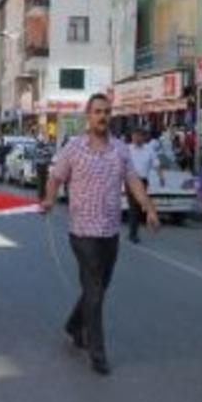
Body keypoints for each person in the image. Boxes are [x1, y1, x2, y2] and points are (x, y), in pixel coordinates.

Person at [41, 93, 158, 376]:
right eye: (97, 112)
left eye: (106, 112)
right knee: (94, 288)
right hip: (82, 232)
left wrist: (148, 208)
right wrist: (49, 199)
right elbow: (55, 176)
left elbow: (132, 180)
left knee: (99, 288)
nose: (102, 116)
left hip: (110, 231)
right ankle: (97, 352)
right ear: (88, 116)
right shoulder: (73, 148)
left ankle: (73, 324)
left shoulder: (120, 150)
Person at [127, 128, 165, 244]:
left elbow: (156, 164)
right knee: (134, 205)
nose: (137, 138)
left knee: (138, 207)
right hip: (130, 180)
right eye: (135, 135)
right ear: (132, 137)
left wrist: (161, 177)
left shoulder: (149, 150)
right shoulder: (127, 149)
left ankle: (134, 230)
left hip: (143, 181)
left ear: (143, 137)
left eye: (139, 136)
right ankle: (133, 233)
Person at [34, 135, 52, 200]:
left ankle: (41, 195)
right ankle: (42, 195)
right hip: (43, 165)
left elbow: (36, 157)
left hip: (41, 165)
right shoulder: (45, 148)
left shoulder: (38, 148)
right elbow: (49, 155)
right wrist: (48, 160)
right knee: (43, 181)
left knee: (41, 181)